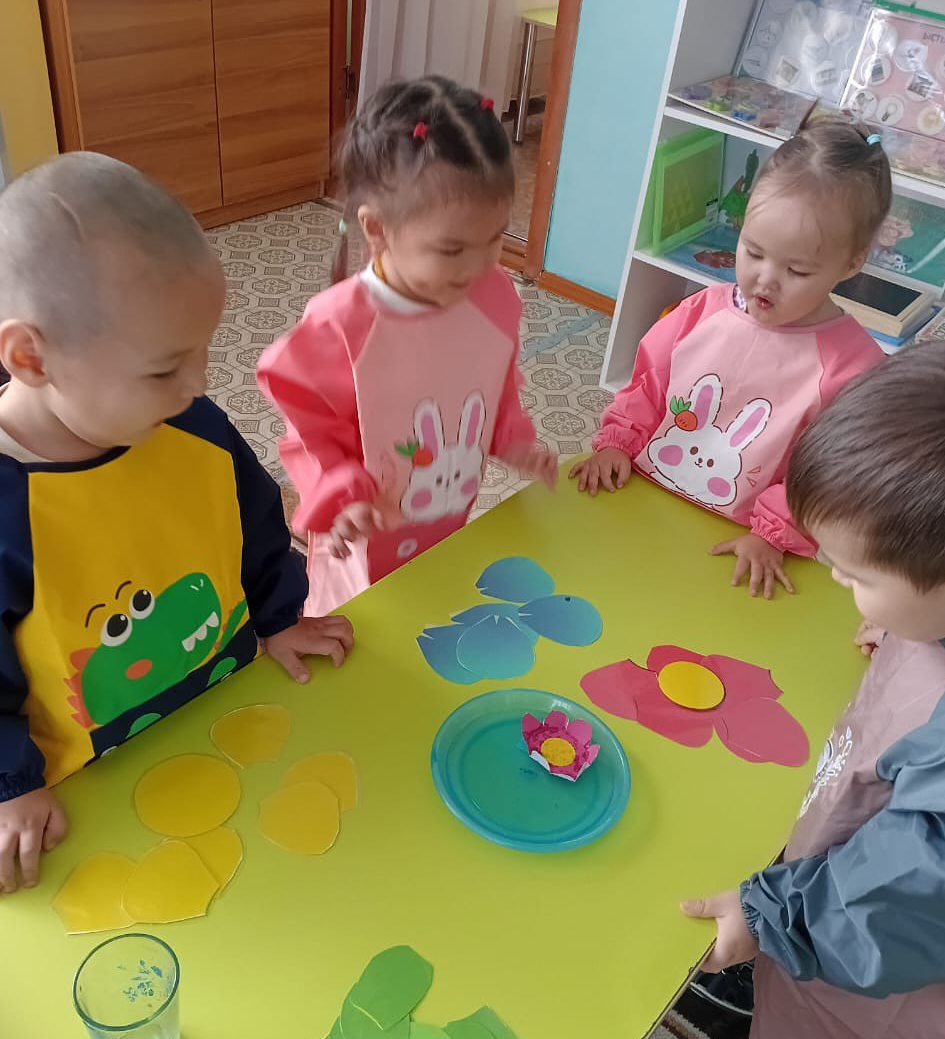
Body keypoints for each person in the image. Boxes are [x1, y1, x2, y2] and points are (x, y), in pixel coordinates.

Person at [0, 152, 353, 894]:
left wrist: (279, 618)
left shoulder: (192, 425)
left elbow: (257, 525)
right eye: (164, 369)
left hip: (232, 720)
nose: (198, 384)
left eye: (202, 352)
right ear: (31, 357)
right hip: (91, 792)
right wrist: (10, 784)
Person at [682, 342, 945, 1039]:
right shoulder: (939, 610)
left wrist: (774, 919)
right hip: (842, 885)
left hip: (889, 958)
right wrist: (918, 623)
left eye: (856, 573)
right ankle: (778, 967)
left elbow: (898, 898)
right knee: (805, 981)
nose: (837, 582)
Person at [258, 75, 556, 615]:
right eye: (452, 249)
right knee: (362, 629)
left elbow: (497, 381)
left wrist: (512, 436)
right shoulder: (341, 323)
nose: (478, 266)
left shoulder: (493, 296)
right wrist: (342, 492)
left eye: (494, 239)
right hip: (360, 535)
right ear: (377, 229)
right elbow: (309, 427)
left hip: (445, 516)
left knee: (431, 606)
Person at [571, 121, 890, 598]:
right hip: (643, 497)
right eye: (753, 252)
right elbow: (650, 384)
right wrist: (618, 441)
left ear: (852, 262)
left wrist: (773, 533)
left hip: (748, 543)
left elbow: (831, 474)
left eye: (797, 270)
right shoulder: (703, 310)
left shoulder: (853, 368)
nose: (765, 279)